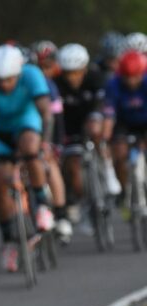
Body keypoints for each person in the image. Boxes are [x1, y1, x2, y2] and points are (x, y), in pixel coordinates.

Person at [0, 44, 55, 272]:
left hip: (25, 124)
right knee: (1, 180)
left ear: (18, 73)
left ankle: (42, 204)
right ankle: (9, 238)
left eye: (9, 79)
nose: (3, 84)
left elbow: (46, 113)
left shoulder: (32, 75)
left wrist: (45, 143)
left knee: (30, 149)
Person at [55, 43, 119, 221]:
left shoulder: (97, 78)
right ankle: (81, 200)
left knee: (96, 129)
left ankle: (107, 170)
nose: (72, 77)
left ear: (84, 68)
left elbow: (104, 104)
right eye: (67, 72)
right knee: (72, 166)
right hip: (69, 126)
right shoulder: (56, 83)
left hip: (91, 117)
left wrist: (98, 119)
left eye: (76, 72)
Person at [31, 40, 73, 243]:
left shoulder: (49, 84)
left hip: (47, 129)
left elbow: (56, 118)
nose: (44, 71)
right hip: (26, 128)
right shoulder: (26, 80)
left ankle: (61, 213)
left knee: (50, 163)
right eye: (41, 66)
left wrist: (55, 144)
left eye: (48, 66)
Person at [103, 50, 147, 200]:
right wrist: (106, 138)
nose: (132, 81)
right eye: (127, 77)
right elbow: (109, 114)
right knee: (120, 153)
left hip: (144, 122)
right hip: (123, 123)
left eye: (136, 77)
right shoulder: (113, 84)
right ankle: (123, 189)